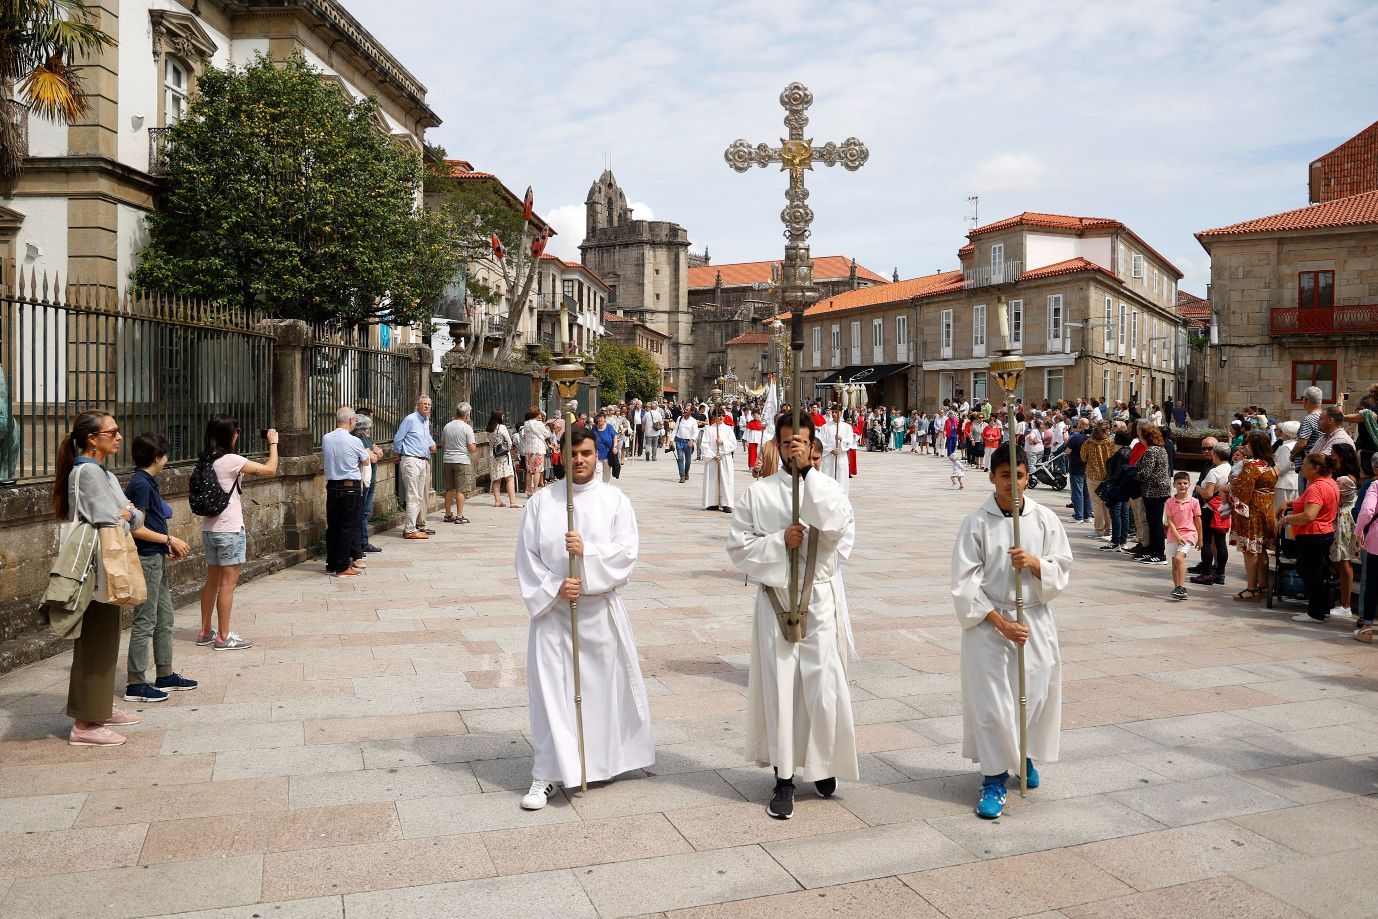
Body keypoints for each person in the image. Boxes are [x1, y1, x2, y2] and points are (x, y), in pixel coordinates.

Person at [516, 426, 654, 810]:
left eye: (587, 453)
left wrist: (587, 553)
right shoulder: (542, 502)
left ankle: (596, 763)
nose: (579, 459)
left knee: (597, 692)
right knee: (550, 694)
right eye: (573, 452)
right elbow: (526, 558)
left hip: (598, 614)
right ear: (561, 455)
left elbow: (626, 555)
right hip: (553, 614)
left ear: (598, 456)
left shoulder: (615, 500)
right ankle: (545, 774)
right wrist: (557, 585)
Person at [728, 414, 858, 820]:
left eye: (800, 443)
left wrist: (808, 477)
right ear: (777, 445)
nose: (793, 449)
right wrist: (778, 542)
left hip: (819, 599)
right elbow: (738, 547)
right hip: (777, 600)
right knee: (781, 688)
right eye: (787, 443)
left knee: (823, 686)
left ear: (812, 445)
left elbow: (838, 528)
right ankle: (783, 776)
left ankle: (821, 766)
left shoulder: (829, 489)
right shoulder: (758, 494)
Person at [951, 447, 1072, 819]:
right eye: (1004, 475)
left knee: (1033, 693)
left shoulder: (1045, 519)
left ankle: (1024, 753)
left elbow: (1062, 565)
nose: (1012, 484)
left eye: (1018, 475)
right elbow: (963, 583)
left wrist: (1035, 563)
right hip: (990, 623)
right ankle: (993, 776)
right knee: (992, 703)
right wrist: (1000, 623)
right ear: (992, 477)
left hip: (1033, 617)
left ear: (1027, 477)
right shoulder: (976, 523)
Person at [52, 411, 145, 745]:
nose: (119, 437)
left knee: (106, 638)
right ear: (92, 438)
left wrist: (128, 513)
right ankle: (85, 724)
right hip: (96, 565)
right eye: (113, 431)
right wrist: (128, 514)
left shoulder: (101, 472)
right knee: (95, 641)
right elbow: (112, 519)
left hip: (106, 563)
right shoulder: (89, 473)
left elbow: (130, 515)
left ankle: (99, 708)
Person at [123, 433, 195, 703]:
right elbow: (137, 526)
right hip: (146, 558)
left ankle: (165, 673)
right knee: (145, 620)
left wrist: (165, 545)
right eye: (165, 455)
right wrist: (169, 539)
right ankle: (135, 682)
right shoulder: (141, 483)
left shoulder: (146, 481)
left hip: (156, 556)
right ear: (157, 458)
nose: (167, 460)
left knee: (165, 618)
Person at [197, 415, 278, 648]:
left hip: (210, 529)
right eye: (237, 431)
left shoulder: (206, 459)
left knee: (212, 582)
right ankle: (223, 636)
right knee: (227, 585)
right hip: (229, 529)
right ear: (230, 435)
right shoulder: (231, 460)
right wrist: (273, 442)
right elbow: (270, 469)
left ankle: (205, 631)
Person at [1279, 451, 1341, 623]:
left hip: (1312, 534)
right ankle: (1322, 609)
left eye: (1305, 465)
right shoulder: (1328, 482)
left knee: (1310, 573)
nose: (1301, 468)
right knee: (1317, 573)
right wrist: (1289, 504)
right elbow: (1307, 502)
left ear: (1315, 468)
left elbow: (1309, 515)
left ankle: (1315, 613)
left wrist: (1287, 519)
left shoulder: (1316, 487)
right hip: (1323, 532)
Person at [322, 407, 371, 575]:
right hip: (350, 487)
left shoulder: (326, 438)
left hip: (332, 486)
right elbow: (365, 461)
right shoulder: (354, 441)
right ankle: (343, 565)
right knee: (347, 526)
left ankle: (332, 563)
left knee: (333, 526)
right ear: (350, 421)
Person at [1229, 431, 1278, 602]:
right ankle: (1263, 586)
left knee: (1250, 550)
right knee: (1261, 549)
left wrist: (1231, 485)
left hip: (1251, 511)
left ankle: (1251, 588)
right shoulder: (1272, 464)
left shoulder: (1251, 464)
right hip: (1267, 508)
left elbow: (1242, 490)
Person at [393, 396, 437, 538]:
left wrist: (432, 444)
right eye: (424, 404)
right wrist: (398, 453)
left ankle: (413, 527)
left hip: (423, 460)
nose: (427, 407)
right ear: (418, 405)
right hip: (411, 460)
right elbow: (399, 438)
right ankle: (410, 529)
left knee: (418, 496)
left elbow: (425, 437)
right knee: (413, 495)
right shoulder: (410, 419)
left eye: (429, 404)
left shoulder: (425, 420)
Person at [1191, 443, 1233, 587]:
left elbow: (1208, 493)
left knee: (1207, 541)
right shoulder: (1231, 468)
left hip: (1209, 508)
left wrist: (1198, 488)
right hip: (1223, 507)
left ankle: (1207, 573)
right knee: (1221, 541)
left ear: (1216, 455)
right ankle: (1220, 574)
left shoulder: (1214, 471)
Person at [1133, 424, 1172, 566]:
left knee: (1155, 523)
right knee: (1153, 521)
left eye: (1140, 436)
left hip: (1153, 491)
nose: (1139, 438)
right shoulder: (1161, 449)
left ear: (1146, 437)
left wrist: (1132, 475)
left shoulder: (1151, 451)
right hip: (1160, 490)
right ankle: (1152, 550)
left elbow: (1145, 473)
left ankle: (1159, 553)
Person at [1330, 443, 1363, 618]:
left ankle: (1346, 605)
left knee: (1344, 561)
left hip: (1342, 521)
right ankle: (1344, 602)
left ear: (1341, 456)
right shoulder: (1347, 476)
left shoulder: (1344, 480)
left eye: (1333, 454)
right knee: (1341, 561)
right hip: (1342, 520)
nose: (1331, 456)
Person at [1165, 471, 1203, 601]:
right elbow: (1169, 520)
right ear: (1174, 485)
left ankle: (1182, 586)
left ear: (1189, 484)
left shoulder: (1194, 502)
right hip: (1173, 535)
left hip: (1189, 534)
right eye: (1179, 483)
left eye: (1185, 483)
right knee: (1174, 562)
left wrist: (1200, 539)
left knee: (1179, 558)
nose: (1182, 486)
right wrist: (1176, 535)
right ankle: (1177, 588)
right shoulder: (1170, 502)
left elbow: (1198, 521)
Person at [351, 414, 384, 556]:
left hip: (371, 479)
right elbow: (373, 458)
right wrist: (375, 453)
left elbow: (379, 453)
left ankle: (363, 541)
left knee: (366, 511)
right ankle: (362, 543)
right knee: (362, 513)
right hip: (363, 481)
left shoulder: (367, 439)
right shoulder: (357, 439)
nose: (368, 430)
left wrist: (376, 452)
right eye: (366, 427)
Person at [1354, 453, 1378, 642]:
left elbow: (1367, 511)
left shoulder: (1375, 486)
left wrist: (1358, 532)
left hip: (1376, 542)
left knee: (1372, 583)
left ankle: (1368, 626)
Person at [442, 403, 477, 524]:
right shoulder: (467, 428)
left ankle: (447, 514)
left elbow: (443, 444)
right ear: (467, 415)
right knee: (460, 490)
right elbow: (472, 448)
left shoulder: (447, 426)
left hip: (448, 460)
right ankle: (459, 516)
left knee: (449, 489)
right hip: (462, 460)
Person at [1081, 422, 1116, 542]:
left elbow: (1083, 457)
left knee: (1096, 503)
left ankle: (1099, 529)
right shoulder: (1110, 442)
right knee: (1106, 502)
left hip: (1093, 474)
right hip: (1107, 475)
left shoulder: (1089, 443)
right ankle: (1108, 528)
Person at [702, 407, 737, 513]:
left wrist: (723, 442)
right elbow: (704, 444)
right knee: (713, 480)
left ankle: (726, 503)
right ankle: (713, 502)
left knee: (726, 480)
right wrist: (713, 455)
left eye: (723, 415)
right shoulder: (709, 429)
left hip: (724, 457)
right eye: (719, 415)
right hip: (713, 457)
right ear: (714, 416)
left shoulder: (728, 429)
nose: (721, 417)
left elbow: (734, 444)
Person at [487, 409, 520, 509]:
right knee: (509, 478)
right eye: (502, 415)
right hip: (503, 455)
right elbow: (509, 442)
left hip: (493, 454)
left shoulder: (489, 428)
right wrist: (509, 448)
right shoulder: (502, 427)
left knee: (496, 479)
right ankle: (513, 502)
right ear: (499, 417)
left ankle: (497, 501)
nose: (503, 417)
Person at [820, 405, 857, 494]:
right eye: (833, 412)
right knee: (828, 479)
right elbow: (821, 442)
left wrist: (842, 439)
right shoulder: (825, 427)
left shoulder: (847, 427)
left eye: (836, 412)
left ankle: (842, 498)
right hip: (829, 457)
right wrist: (830, 450)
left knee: (841, 479)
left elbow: (850, 442)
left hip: (841, 457)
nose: (834, 414)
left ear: (840, 413)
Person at [519, 409, 553, 496]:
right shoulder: (539, 424)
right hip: (538, 448)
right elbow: (547, 434)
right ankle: (535, 490)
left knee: (529, 470)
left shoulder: (526, 424)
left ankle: (528, 490)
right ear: (537, 414)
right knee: (537, 470)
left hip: (529, 449)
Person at [1292, 386, 1325, 472]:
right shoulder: (1325, 417)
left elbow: (1302, 443)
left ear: (1305, 399)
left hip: (1308, 464)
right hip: (1320, 461)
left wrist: (1292, 453)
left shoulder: (1309, 419)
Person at [1067, 419, 1090, 523]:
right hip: (1088, 468)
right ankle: (1087, 515)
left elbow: (1067, 451)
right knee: (1087, 493)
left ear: (1080, 425)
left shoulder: (1076, 438)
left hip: (1076, 467)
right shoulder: (1091, 438)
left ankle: (1079, 516)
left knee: (1077, 493)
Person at [672, 408, 699, 483]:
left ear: (691, 412)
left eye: (687, 410)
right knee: (680, 459)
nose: (684, 411)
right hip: (679, 441)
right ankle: (682, 475)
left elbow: (696, 431)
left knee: (688, 461)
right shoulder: (679, 419)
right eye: (684, 409)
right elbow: (675, 429)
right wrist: (671, 440)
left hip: (688, 442)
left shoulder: (693, 421)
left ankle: (686, 472)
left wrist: (692, 440)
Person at [593, 412, 618, 483]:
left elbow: (614, 437)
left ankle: (606, 487)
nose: (599, 420)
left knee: (606, 473)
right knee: (598, 472)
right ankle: (599, 488)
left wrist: (615, 447)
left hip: (607, 454)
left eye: (601, 418)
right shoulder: (594, 428)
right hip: (597, 454)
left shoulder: (609, 427)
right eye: (598, 418)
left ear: (604, 419)